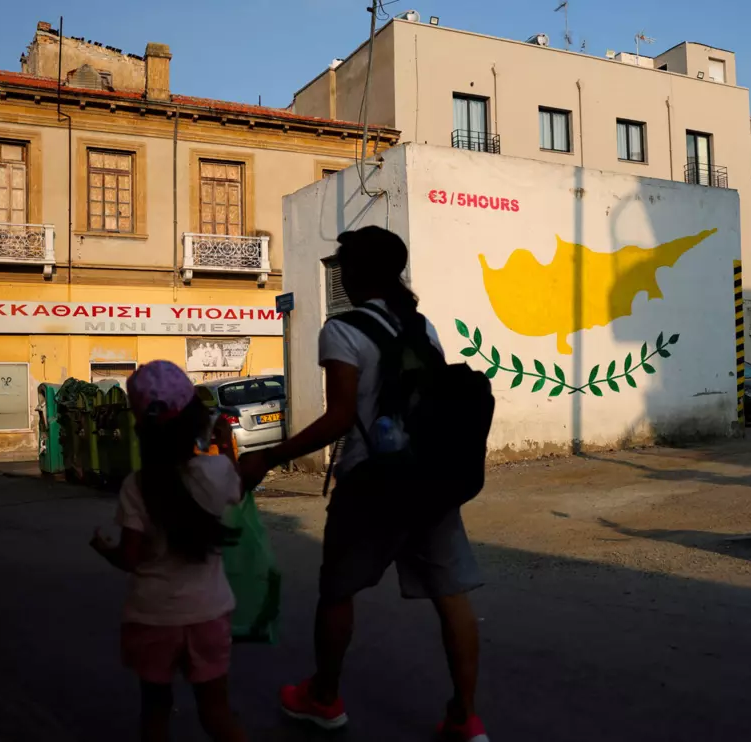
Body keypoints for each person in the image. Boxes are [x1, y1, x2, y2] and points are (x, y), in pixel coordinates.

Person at [238, 226, 489, 741]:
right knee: (452, 596)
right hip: (430, 481)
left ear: (355, 273)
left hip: (371, 486)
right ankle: (465, 717)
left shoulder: (342, 330)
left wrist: (268, 458)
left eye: (344, 266)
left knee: (337, 593)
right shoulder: (423, 329)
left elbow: (340, 417)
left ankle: (324, 698)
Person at [91, 360, 247, 742]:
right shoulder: (218, 473)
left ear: (140, 429)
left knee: (156, 711)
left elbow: (130, 558)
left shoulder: (136, 486)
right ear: (196, 418)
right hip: (209, 615)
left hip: (152, 619)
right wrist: (225, 444)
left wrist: (103, 549)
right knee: (217, 712)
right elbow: (235, 484)